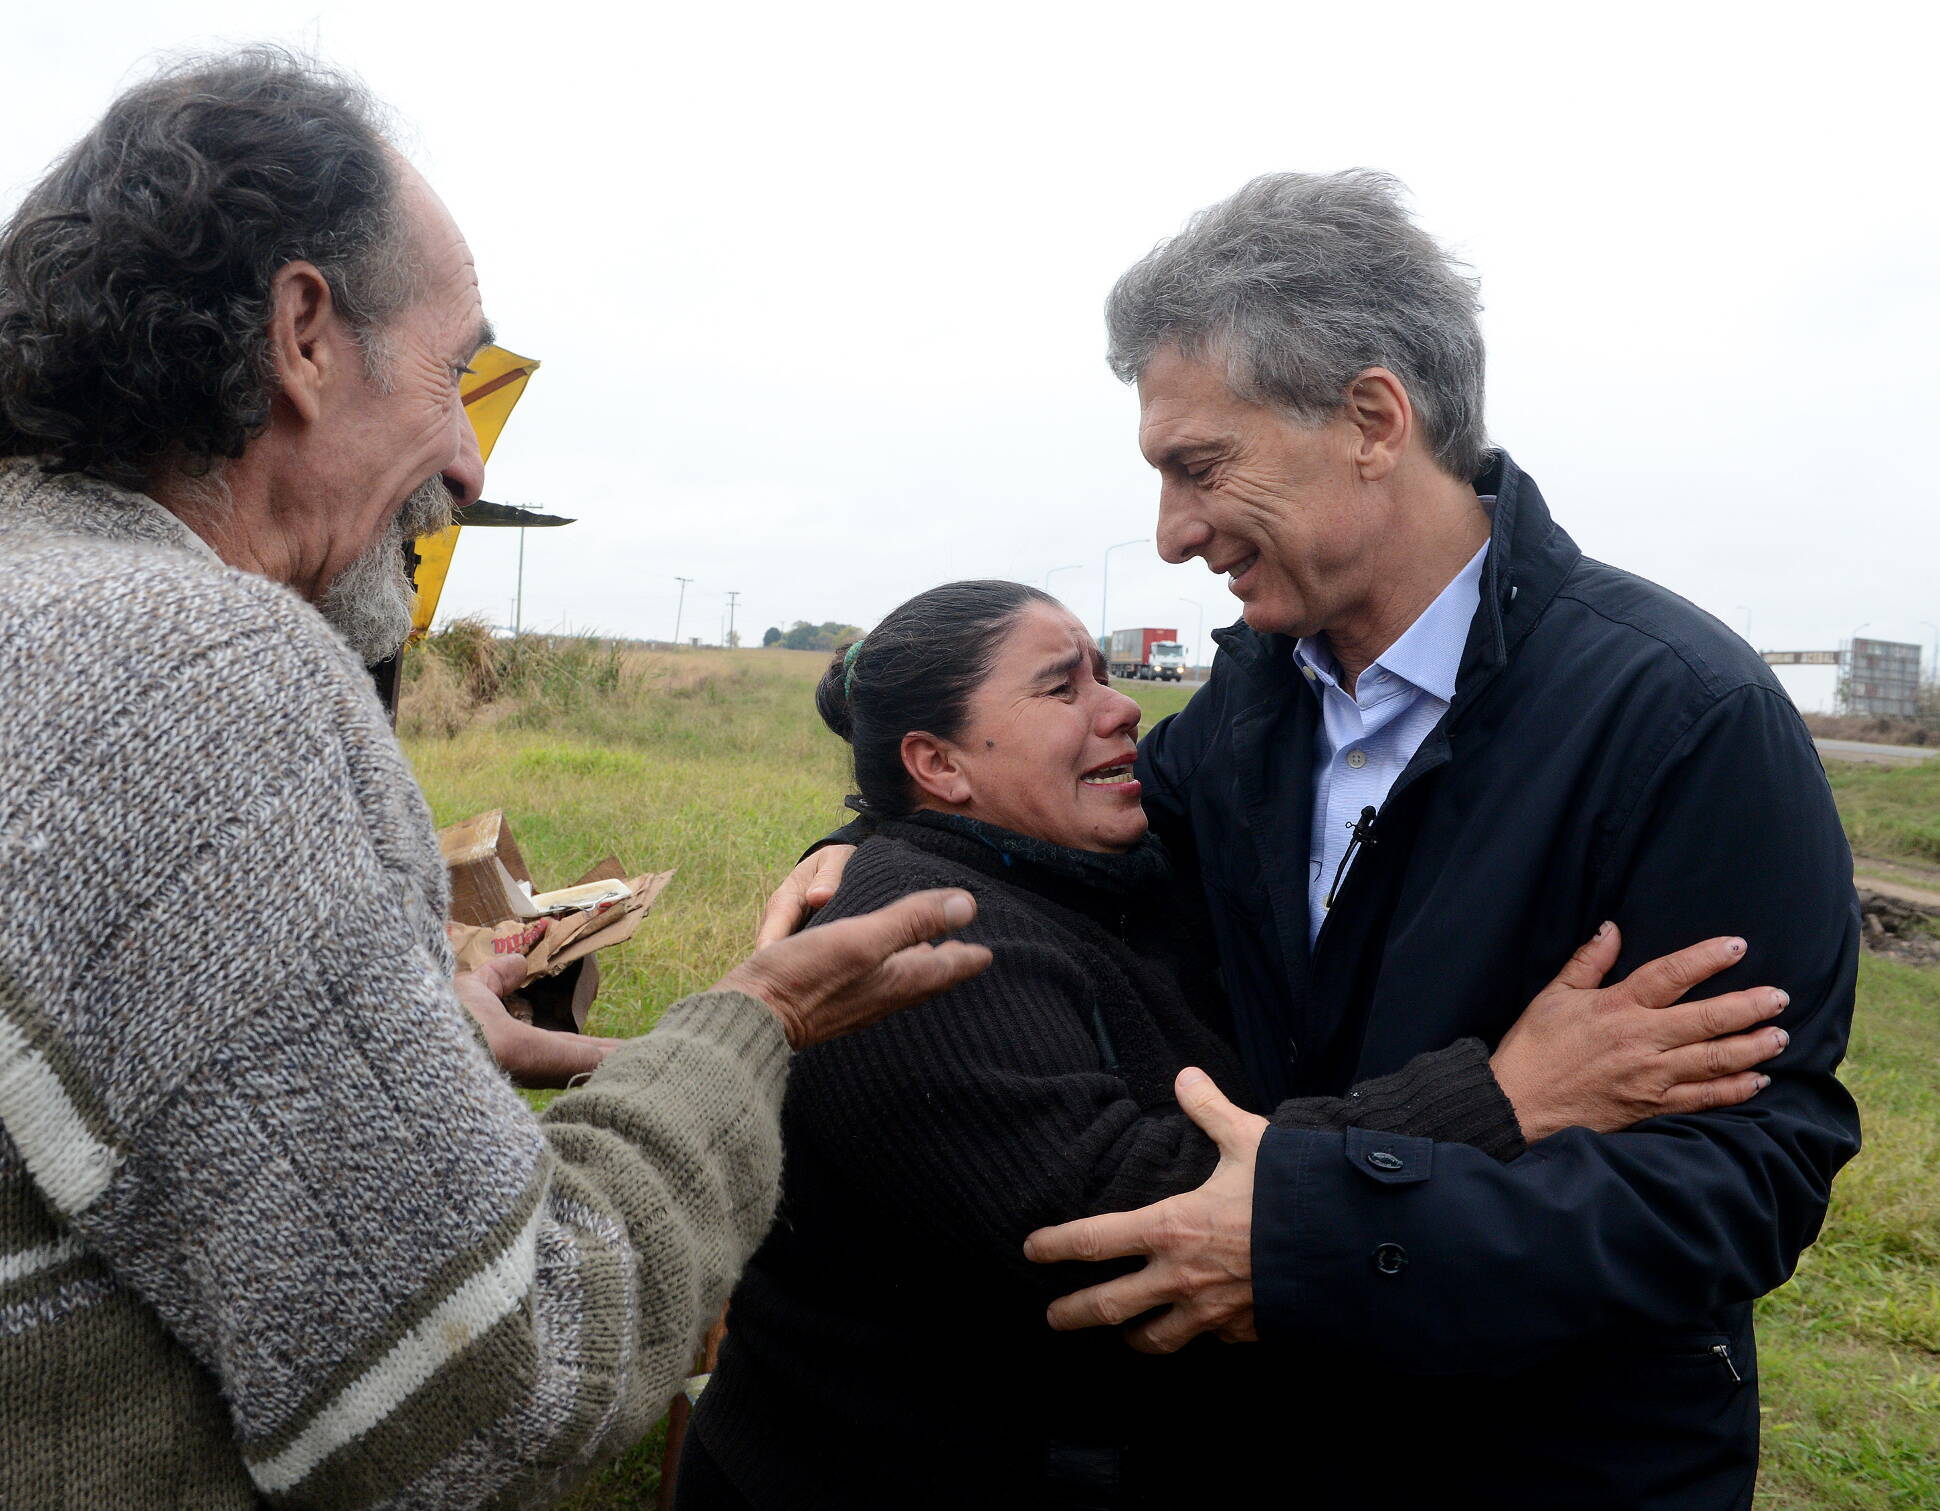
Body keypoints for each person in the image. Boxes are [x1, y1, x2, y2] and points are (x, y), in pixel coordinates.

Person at [764, 173, 1861, 1508]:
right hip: (1271, 1449)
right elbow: (1017, 836)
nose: (1172, 531)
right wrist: (868, 858)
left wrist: (1328, 1232)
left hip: (1542, 1463)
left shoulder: (1682, 718)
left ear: (1372, 420)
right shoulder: (1254, 703)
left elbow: (1742, 1179)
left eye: (1200, 465)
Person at [0, 51, 986, 1510]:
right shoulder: (190, 670)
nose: (467, 460)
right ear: (305, 333)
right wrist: (749, 1024)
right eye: (458, 374)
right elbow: (488, 1392)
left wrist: (402, 1029)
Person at [696, 581, 1790, 1509]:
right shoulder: (917, 935)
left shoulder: (1095, 867)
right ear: (936, 763)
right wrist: (1501, 1094)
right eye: (1060, 685)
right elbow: (1129, 1221)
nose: (1122, 708)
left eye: (1100, 670)